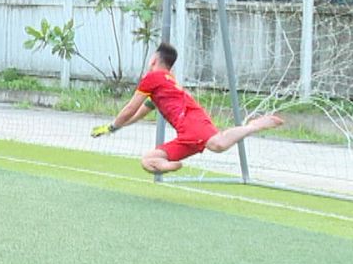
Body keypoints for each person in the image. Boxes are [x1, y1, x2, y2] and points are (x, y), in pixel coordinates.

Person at [93, 42, 284, 174]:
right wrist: (114, 127)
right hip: (184, 133)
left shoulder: (153, 78)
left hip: (190, 119)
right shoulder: (166, 81)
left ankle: (253, 126)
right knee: (147, 161)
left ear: (154, 60)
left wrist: (113, 127)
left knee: (217, 144)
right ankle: (168, 166)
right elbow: (139, 113)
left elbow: (130, 109)